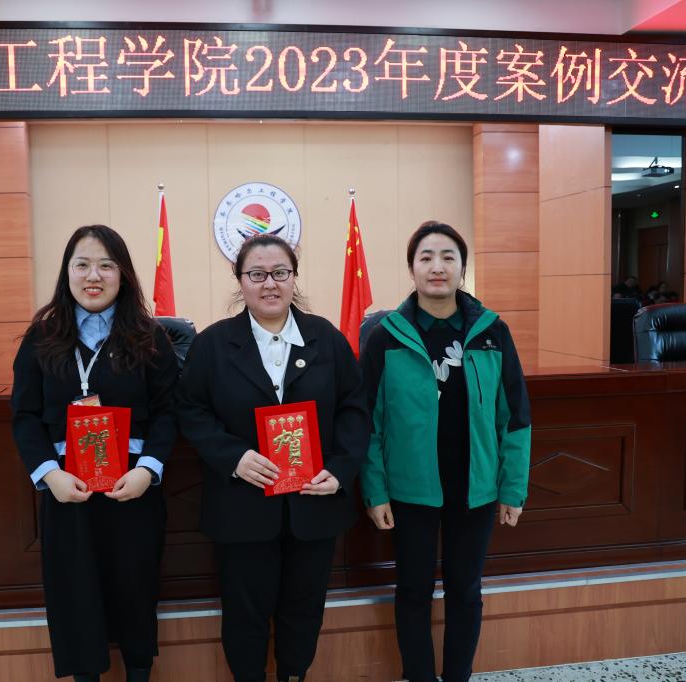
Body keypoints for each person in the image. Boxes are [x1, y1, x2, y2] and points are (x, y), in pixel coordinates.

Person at [176, 234, 368, 682]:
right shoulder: (213, 345)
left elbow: (355, 409)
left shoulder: (326, 339)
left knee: (304, 608)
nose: (269, 284)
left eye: (280, 273)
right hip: (242, 505)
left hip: (314, 502)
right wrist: (233, 456)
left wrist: (340, 469)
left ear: (294, 278)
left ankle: (294, 675)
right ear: (239, 280)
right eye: (257, 274)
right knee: (244, 612)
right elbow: (190, 410)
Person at [360, 221, 531, 682]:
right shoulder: (385, 337)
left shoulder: (493, 332)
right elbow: (368, 423)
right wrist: (375, 491)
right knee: (413, 590)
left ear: (462, 268)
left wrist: (512, 489)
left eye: (448, 257)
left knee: (466, 590)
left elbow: (515, 416)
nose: (437, 266)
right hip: (410, 490)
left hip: (475, 488)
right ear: (412, 269)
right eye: (426, 257)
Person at [10, 224, 179, 682]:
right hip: (68, 488)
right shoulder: (42, 337)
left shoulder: (149, 336)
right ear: (67, 272)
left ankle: (138, 672)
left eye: (106, 265)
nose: (93, 276)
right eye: (82, 264)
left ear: (123, 274)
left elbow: (168, 412)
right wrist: (49, 474)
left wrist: (148, 470)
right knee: (75, 594)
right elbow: (24, 415)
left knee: (135, 589)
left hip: (132, 486)